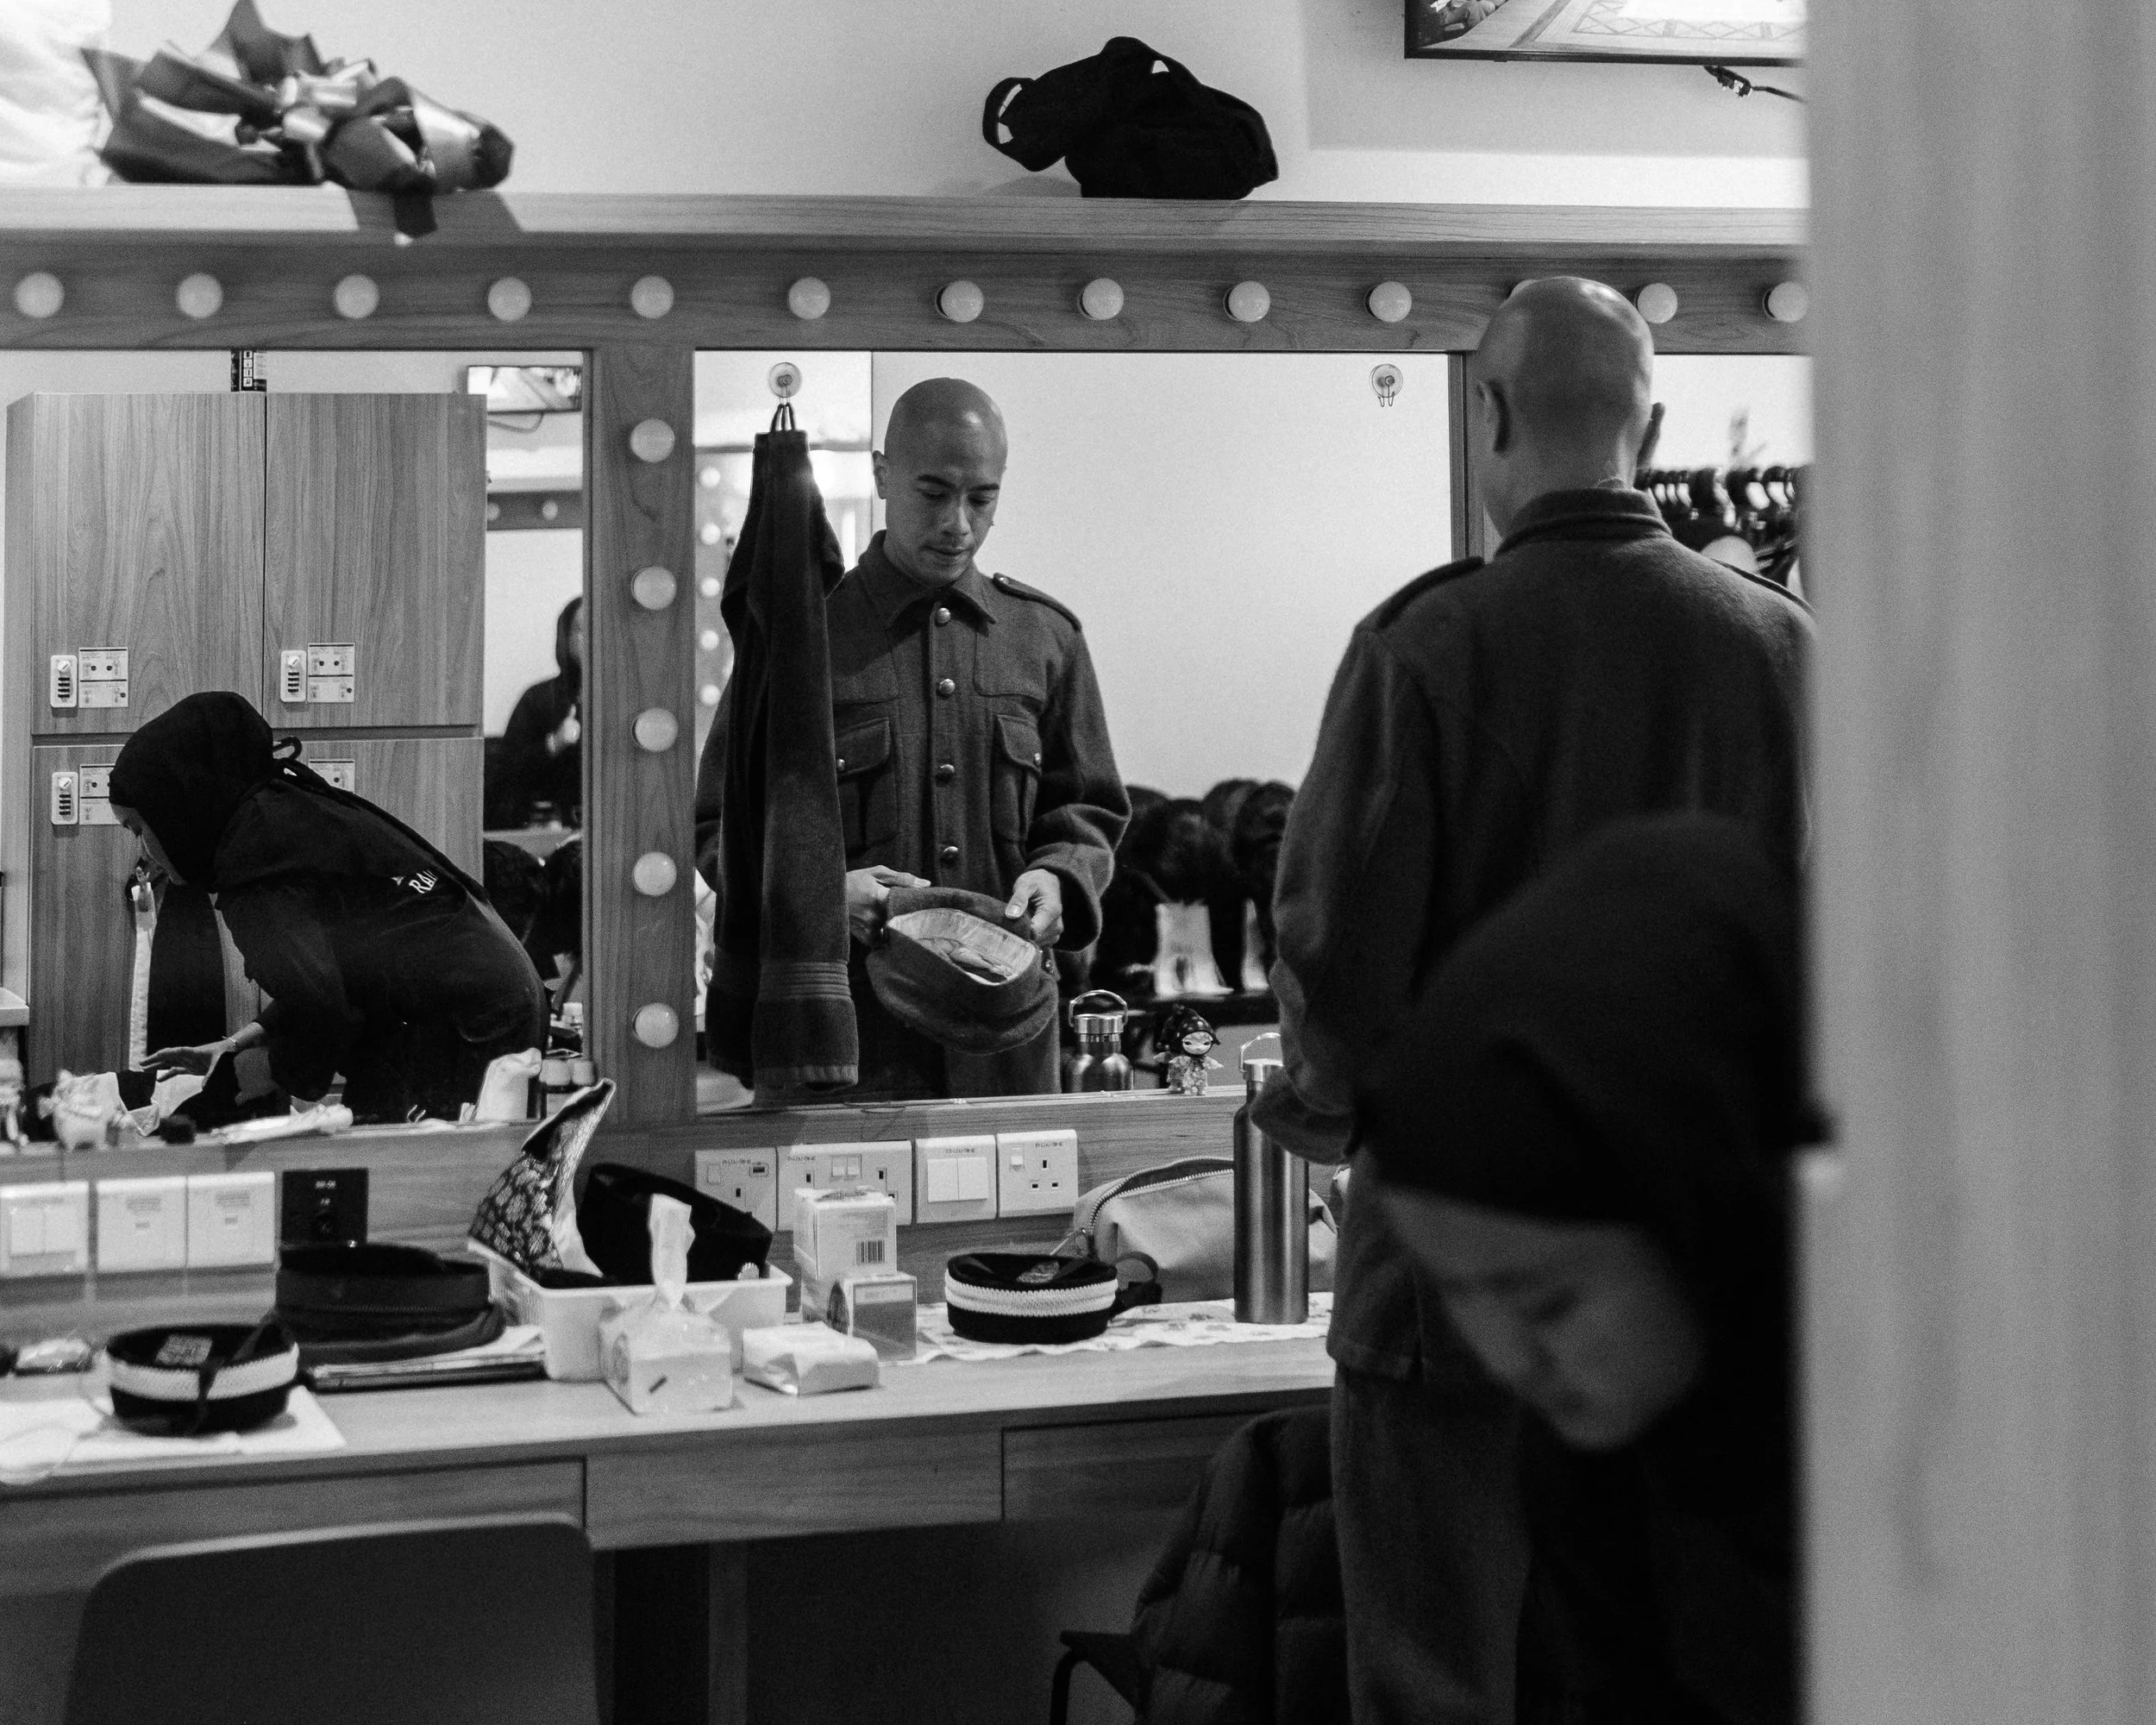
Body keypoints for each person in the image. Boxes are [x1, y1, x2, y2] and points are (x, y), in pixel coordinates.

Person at [1254, 276, 1813, 1724]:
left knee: (1447, 1687)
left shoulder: (1428, 648)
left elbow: (1336, 960)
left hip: (1461, 1295)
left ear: (1486, 415)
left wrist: (1324, 1109)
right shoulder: (1787, 650)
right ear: (1657, 425)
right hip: (1707, 1293)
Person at [1359, 813, 1808, 1725]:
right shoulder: (1589, 1457)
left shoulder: (1947, 1457)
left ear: (1706, 1224)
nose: (1504, 1357)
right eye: (1453, 1288)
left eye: (1547, 1301)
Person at [699, 377, 1129, 1097]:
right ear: (880, 476)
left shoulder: (1044, 638)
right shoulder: (804, 635)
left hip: (1007, 1042)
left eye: (982, 498)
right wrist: (819, 897)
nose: (958, 522)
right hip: (844, 1043)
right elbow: (720, 823)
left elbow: (1086, 810)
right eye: (933, 493)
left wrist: (1059, 878)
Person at [110, 692, 547, 1125]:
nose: (144, 852)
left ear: (175, 809)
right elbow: (330, 978)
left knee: (413, 1176)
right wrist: (238, 1046)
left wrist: (229, 1083)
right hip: (494, 996)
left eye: (137, 829)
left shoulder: (253, 862)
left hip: (464, 1025)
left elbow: (324, 1014)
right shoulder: (285, 812)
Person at [491, 596, 583, 828]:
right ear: (567, 638)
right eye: (583, 629)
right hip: (548, 825)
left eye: (601, 628)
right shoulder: (539, 697)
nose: (594, 637)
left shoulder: (629, 697)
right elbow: (507, 770)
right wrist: (554, 743)